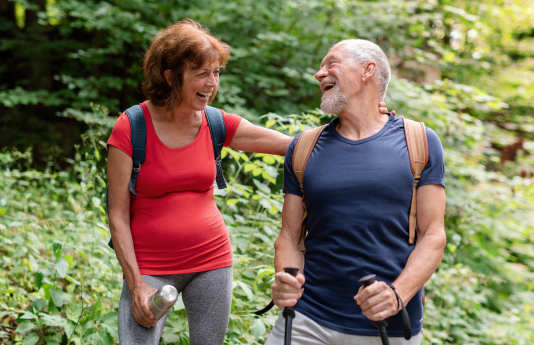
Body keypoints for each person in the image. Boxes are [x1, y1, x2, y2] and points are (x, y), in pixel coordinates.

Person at [106, 20, 392, 345]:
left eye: (216, 73)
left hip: (211, 261)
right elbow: (117, 215)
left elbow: (293, 144)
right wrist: (136, 283)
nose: (212, 83)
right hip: (149, 269)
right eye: (202, 73)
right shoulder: (131, 127)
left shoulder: (215, 122)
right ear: (170, 76)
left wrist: (368, 125)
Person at [266, 39, 446, 345]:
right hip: (308, 318)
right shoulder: (304, 147)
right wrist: (286, 277)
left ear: (368, 70)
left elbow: (433, 234)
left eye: (331, 63)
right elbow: (288, 235)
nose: (319, 74)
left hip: (387, 324)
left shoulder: (419, 140)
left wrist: (397, 294)